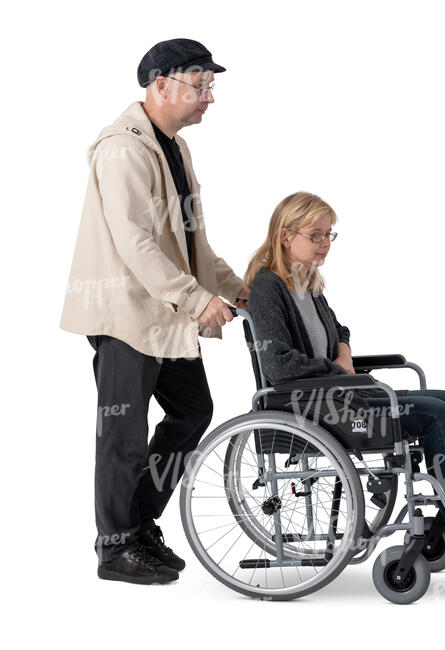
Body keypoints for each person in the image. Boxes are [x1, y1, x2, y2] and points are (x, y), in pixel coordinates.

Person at [245, 191, 445, 560]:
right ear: (286, 236)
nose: (325, 244)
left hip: (336, 393)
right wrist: (336, 370)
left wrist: (343, 353)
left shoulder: (308, 284)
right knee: (433, 413)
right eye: (315, 235)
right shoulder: (268, 287)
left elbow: (340, 331)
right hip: (313, 405)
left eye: (329, 234)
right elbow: (277, 365)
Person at [59, 38, 249, 585]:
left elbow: (191, 244)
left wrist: (237, 290)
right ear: (159, 83)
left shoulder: (176, 149)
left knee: (191, 412)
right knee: (122, 434)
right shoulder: (122, 148)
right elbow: (135, 241)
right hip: (125, 315)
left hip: (164, 316)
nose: (208, 97)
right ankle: (115, 547)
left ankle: (138, 524)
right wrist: (196, 299)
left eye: (211, 87)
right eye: (200, 85)